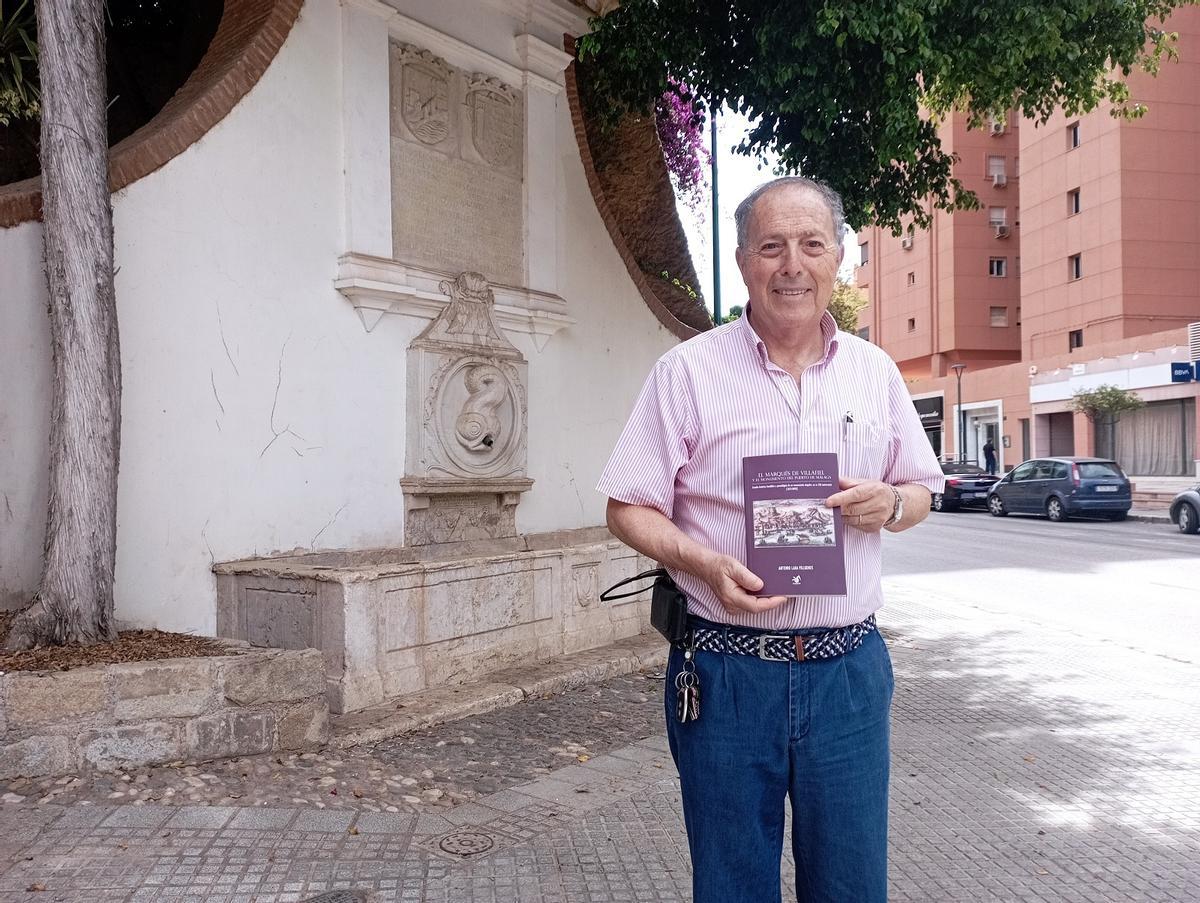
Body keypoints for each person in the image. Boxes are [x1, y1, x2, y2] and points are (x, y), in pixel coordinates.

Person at [596, 176, 944, 903]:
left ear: (839, 257)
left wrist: (890, 502)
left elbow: (921, 490)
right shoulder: (687, 372)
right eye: (771, 246)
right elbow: (627, 506)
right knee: (730, 887)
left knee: (851, 886)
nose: (792, 265)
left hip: (847, 673)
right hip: (725, 672)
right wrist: (701, 560)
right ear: (742, 260)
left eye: (812, 245)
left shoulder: (875, 373)